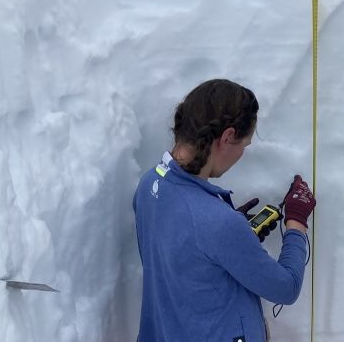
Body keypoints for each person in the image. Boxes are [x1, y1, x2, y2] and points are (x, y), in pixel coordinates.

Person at [133, 78, 316, 341]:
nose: (242, 153)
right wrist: (296, 220)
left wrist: (230, 238)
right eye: (244, 145)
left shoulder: (150, 183)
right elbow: (285, 288)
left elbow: (185, 251)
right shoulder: (218, 223)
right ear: (228, 136)